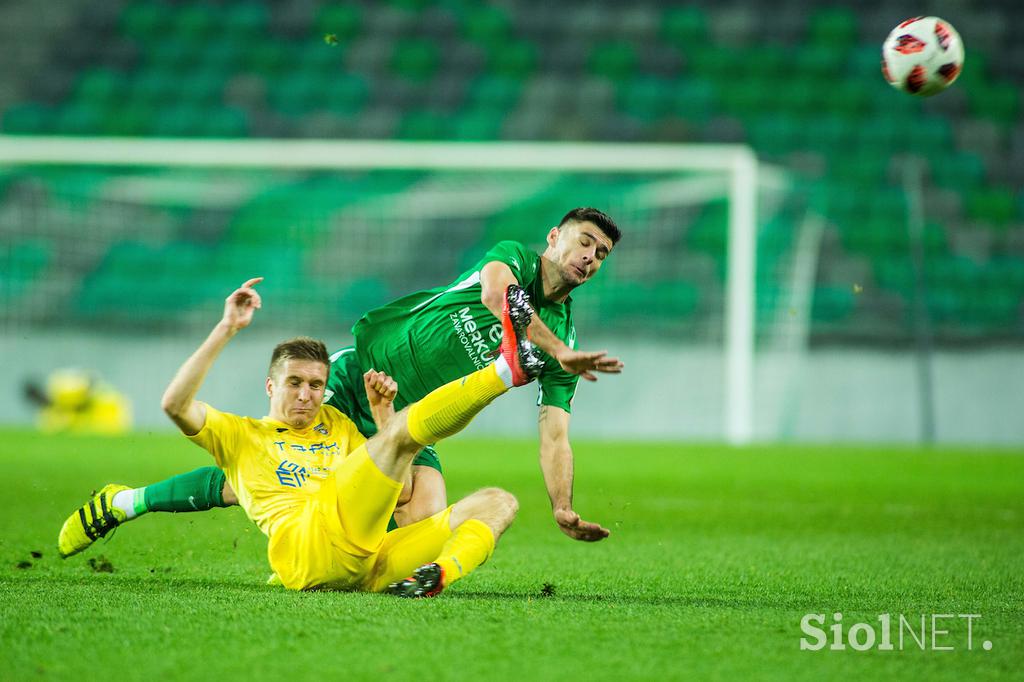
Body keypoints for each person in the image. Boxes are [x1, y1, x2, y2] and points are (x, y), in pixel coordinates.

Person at [58, 207, 623, 558]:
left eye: (601, 253)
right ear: (554, 237)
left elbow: (555, 434)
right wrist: (559, 350)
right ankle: (126, 502)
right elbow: (498, 297)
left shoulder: (565, 344)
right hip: (358, 377)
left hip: (408, 422)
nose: (590, 257)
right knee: (267, 468)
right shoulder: (512, 260)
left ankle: (355, 565)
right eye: (583, 241)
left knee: (421, 517)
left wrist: (562, 507)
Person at [66, 276, 544, 596]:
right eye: (295, 383)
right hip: (306, 548)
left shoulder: (339, 429)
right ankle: (505, 370)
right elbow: (174, 405)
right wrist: (226, 327)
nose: (307, 394)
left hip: (367, 566)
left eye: (316, 385)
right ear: (271, 386)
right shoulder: (242, 434)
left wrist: (380, 416)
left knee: (499, 502)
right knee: (393, 441)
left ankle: (436, 576)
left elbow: (399, 497)